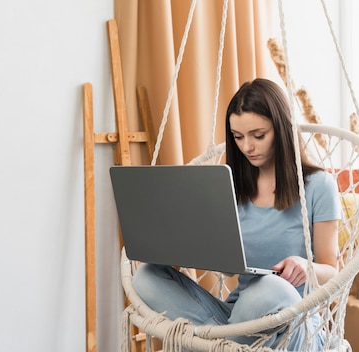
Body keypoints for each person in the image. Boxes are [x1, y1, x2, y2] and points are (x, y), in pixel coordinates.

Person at [132, 78, 341, 351]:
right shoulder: (230, 185)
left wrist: (305, 266)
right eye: (238, 137)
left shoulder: (318, 185)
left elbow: (333, 270)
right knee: (147, 277)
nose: (247, 147)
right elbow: (215, 250)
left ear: (281, 129)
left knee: (270, 288)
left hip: (291, 324)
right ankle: (227, 345)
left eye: (258, 135)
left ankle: (215, 345)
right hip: (237, 317)